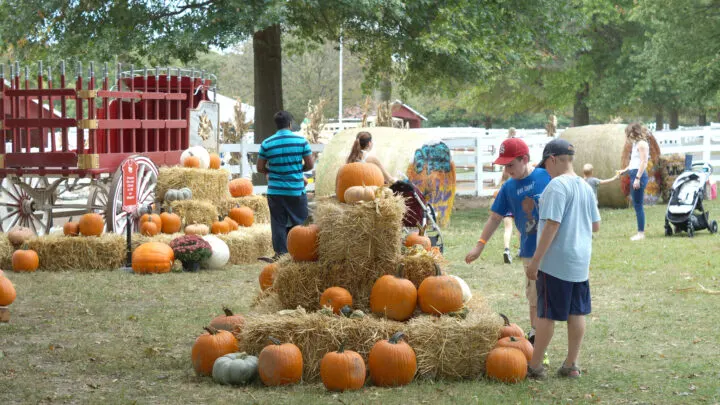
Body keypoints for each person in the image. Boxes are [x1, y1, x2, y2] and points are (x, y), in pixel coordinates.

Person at [525, 138, 601, 380]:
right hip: (580, 260)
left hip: (556, 262)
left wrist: (536, 261)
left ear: (553, 160)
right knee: (576, 312)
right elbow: (595, 225)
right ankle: (571, 364)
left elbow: (552, 225)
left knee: (546, 313)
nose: (546, 171)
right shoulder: (585, 186)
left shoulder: (557, 186)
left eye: (546, 166)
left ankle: (535, 366)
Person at [465, 137, 551, 341]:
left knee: (554, 298)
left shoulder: (546, 175)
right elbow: (495, 217)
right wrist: (480, 246)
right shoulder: (508, 188)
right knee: (534, 297)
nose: (508, 170)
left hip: (555, 248)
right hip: (530, 250)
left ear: (525, 159)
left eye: (511, 165)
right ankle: (535, 338)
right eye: (504, 166)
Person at [257, 111, 314, 261]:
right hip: (296, 190)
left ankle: (280, 255)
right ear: (290, 124)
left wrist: (272, 171)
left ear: (277, 125)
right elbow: (310, 165)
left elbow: (260, 168)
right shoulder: (301, 142)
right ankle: (300, 253)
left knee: (278, 223)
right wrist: (296, 171)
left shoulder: (267, 143)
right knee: (299, 222)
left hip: (275, 191)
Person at [616, 123, 650, 241]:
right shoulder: (636, 143)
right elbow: (633, 163)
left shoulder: (642, 144)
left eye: (629, 133)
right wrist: (623, 171)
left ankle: (641, 233)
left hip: (638, 176)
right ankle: (640, 232)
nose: (627, 136)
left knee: (638, 205)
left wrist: (637, 179)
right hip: (634, 173)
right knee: (637, 205)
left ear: (634, 132)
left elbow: (643, 162)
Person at [500, 127, 519, 264]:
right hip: (516, 201)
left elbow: (500, 184)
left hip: (506, 202)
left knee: (508, 227)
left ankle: (507, 249)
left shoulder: (505, 172)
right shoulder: (517, 171)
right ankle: (521, 249)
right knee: (520, 226)